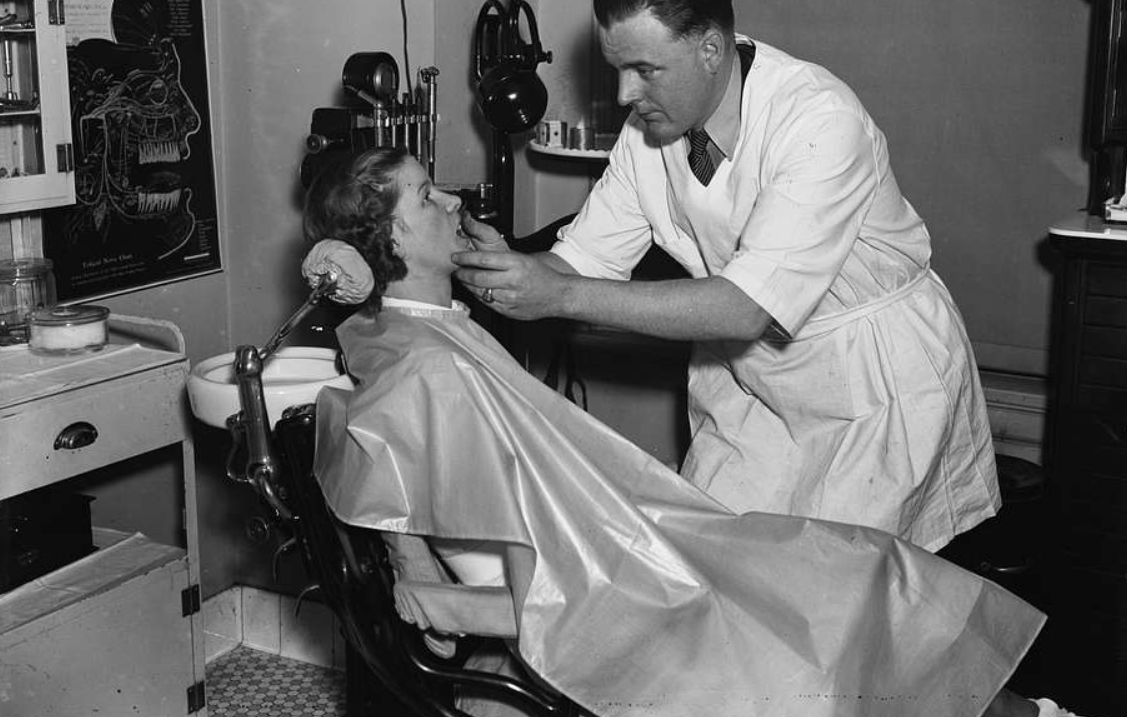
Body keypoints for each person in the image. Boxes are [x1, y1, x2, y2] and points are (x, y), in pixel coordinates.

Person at [301, 145, 1077, 717]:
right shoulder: (431, 368)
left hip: (616, 551)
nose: (449, 200)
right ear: (390, 243)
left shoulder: (400, 336)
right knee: (843, 604)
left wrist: (418, 565)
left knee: (852, 570)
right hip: (602, 591)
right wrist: (443, 589)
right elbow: (429, 488)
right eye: (424, 196)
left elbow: (401, 469)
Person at [441, 0, 999, 554]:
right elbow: (581, 263)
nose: (625, 93)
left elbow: (744, 308)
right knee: (711, 575)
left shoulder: (817, 118)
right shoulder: (649, 132)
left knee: (838, 607)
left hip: (870, 386)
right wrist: (508, 269)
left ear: (710, 49)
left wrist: (559, 294)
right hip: (750, 388)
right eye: (616, 69)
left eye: (645, 70)